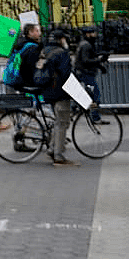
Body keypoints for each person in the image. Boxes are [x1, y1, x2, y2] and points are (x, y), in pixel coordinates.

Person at [39, 30, 77, 166]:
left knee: (58, 122)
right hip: (60, 92)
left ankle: (51, 149)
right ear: (61, 39)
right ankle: (59, 156)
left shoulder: (44, 51)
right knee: (62, 123)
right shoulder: (62, 53)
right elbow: (66, 74)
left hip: (48, 91)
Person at [74, 26, 108, 122]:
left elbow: (88, 57)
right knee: (95, 95)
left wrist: (99, 62)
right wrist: (100, 59)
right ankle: (95, 117)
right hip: (86, 75)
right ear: (88, 34)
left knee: (89, 94)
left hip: (83, 74)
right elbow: (85, 60)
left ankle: (75, 108)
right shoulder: (86, 45)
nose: (96, 35)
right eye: (93, 33)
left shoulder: (84, 43)